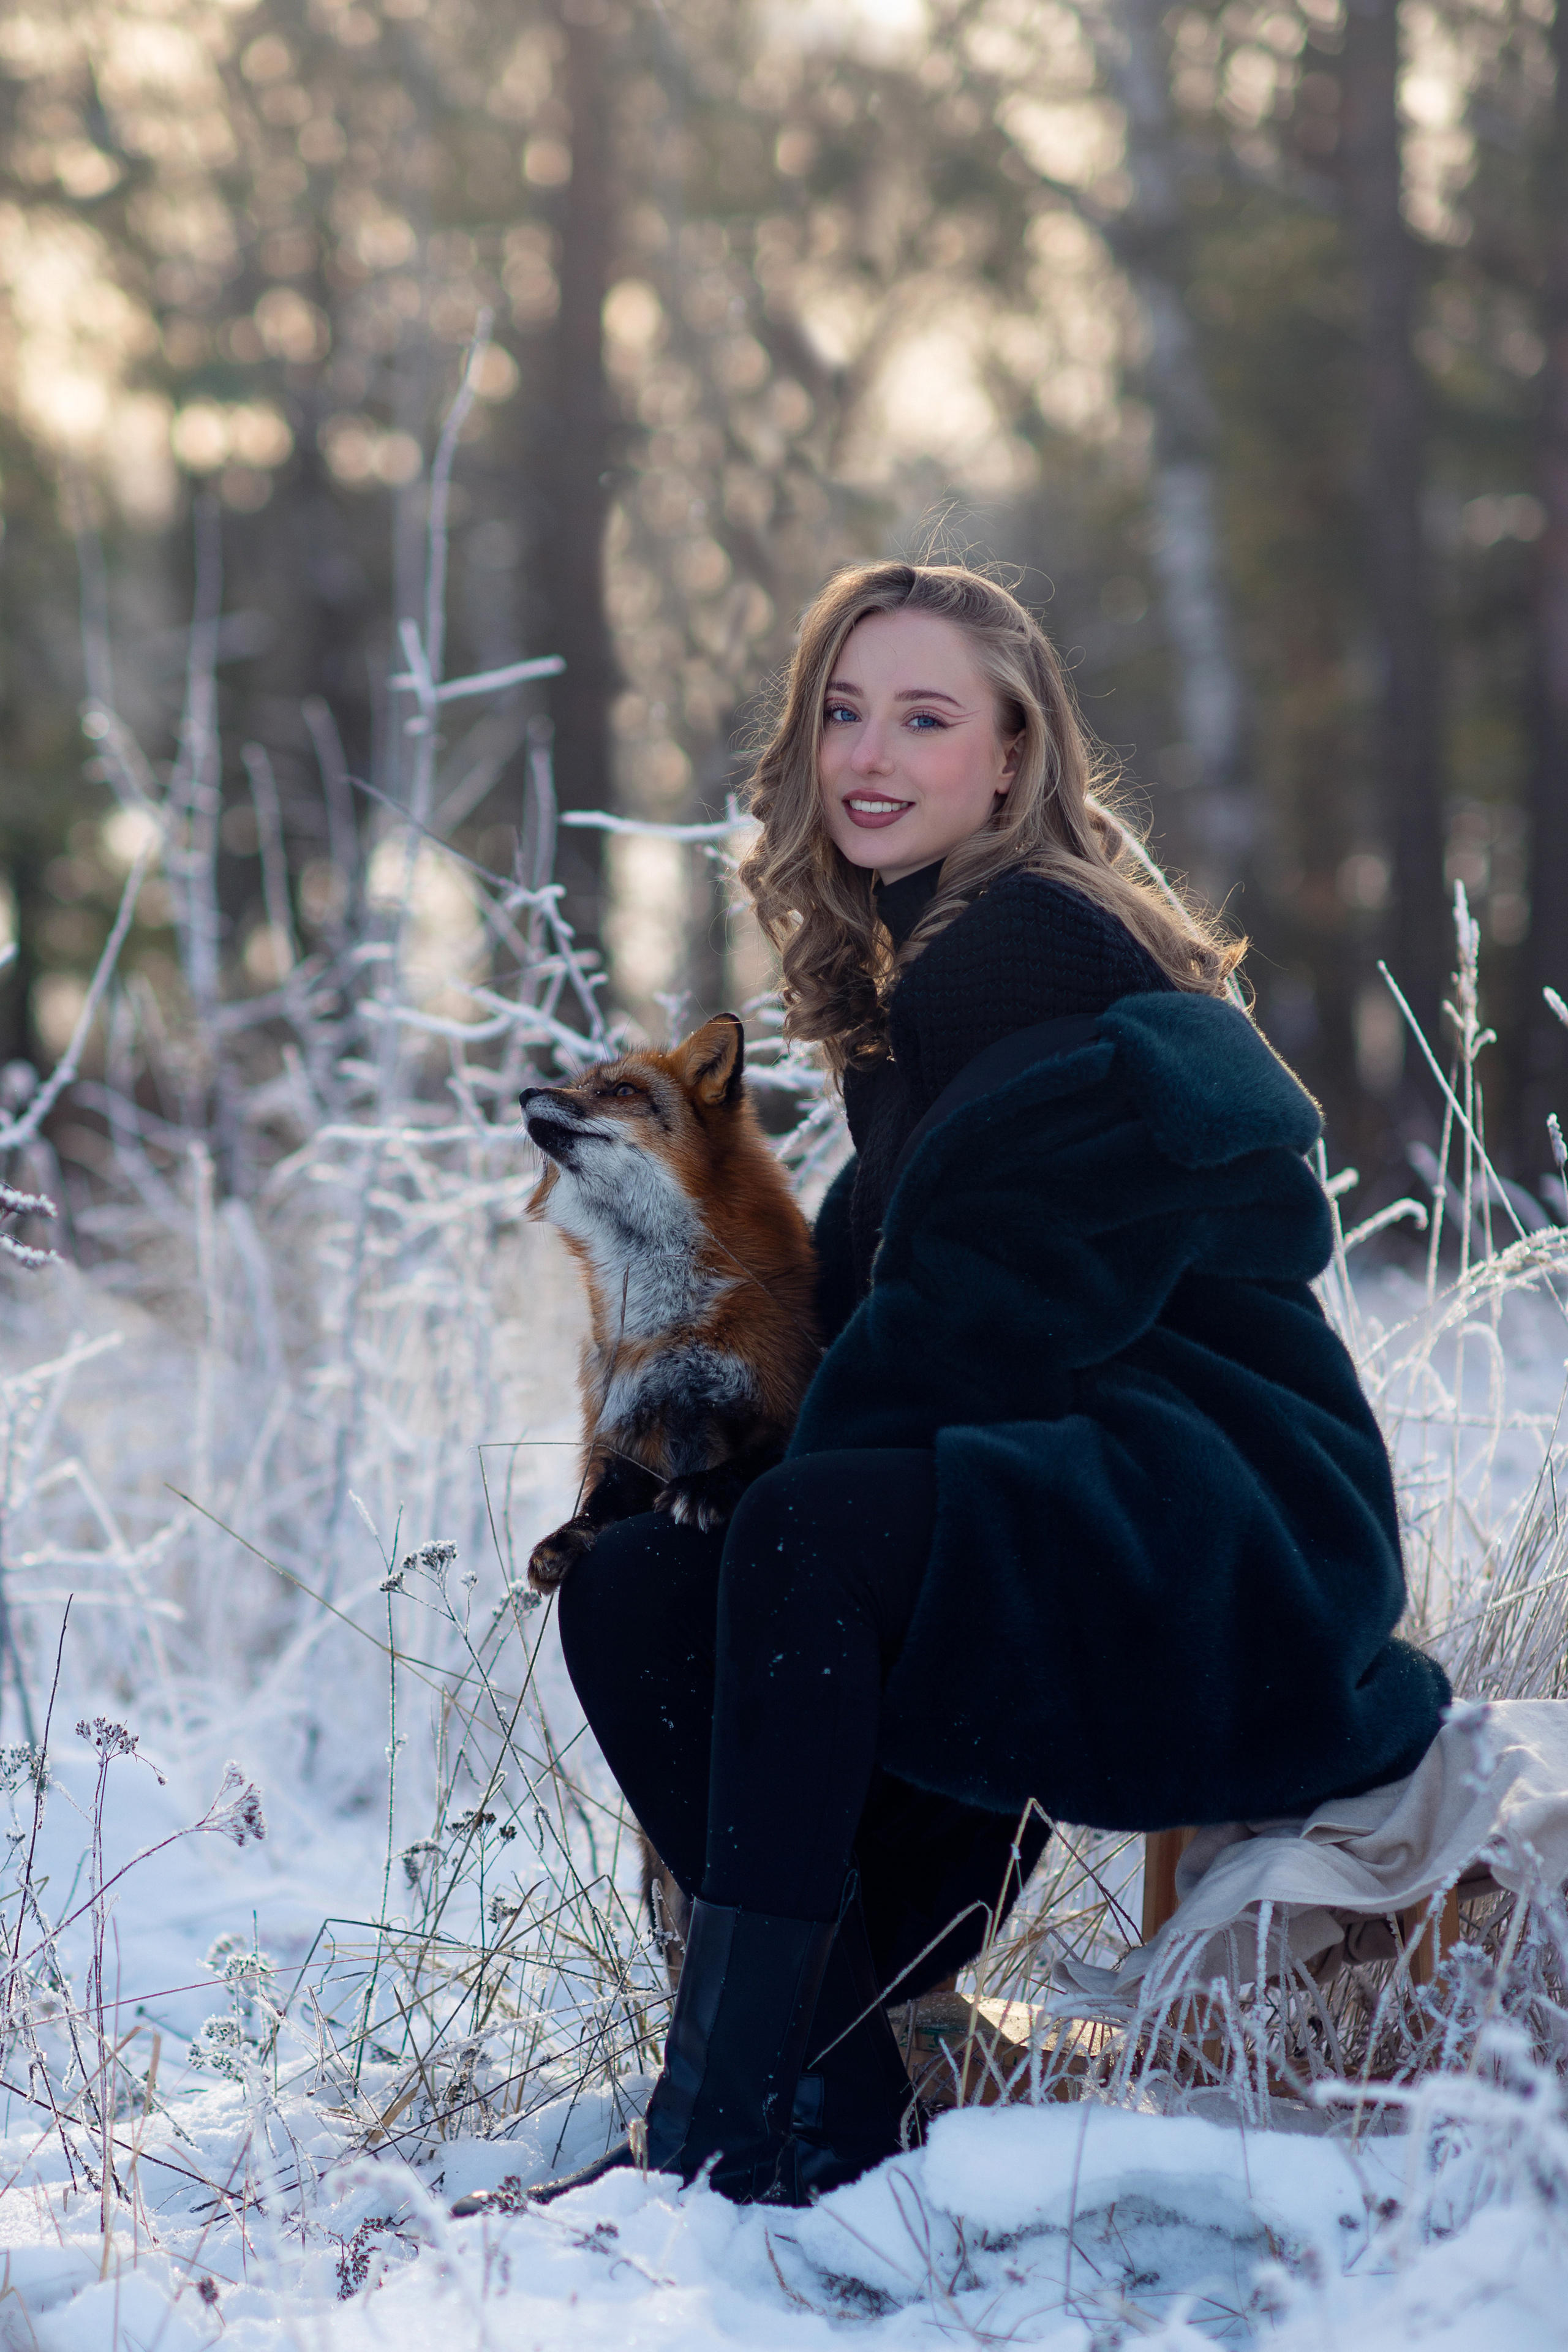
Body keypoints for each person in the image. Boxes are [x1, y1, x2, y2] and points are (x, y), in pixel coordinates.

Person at [541, 561, 1449, 2207]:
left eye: (925, 718)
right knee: (637, 1579)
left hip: (1215, 1507)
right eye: (842, 712)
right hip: (1083, 1471)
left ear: (1014, 760)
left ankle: (737, 2127)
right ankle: (837, 2083)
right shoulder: (922, 978)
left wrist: (763, 1495)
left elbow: (985, 1321)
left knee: (813, 1538)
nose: (869, 755)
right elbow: (880, 1313)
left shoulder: (1018, 950)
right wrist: (688, 1467)